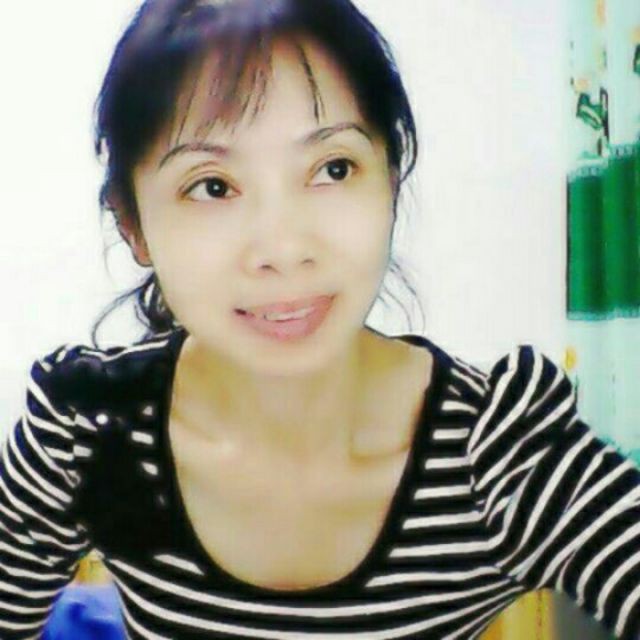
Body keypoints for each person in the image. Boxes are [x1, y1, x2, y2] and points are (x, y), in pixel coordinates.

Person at [1, 0, 639, 638]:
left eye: (333, 169)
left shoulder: (499, 454)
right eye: (212, 186)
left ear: (391, 177)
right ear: (133, 225)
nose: (284, 249)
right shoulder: (88, 428)